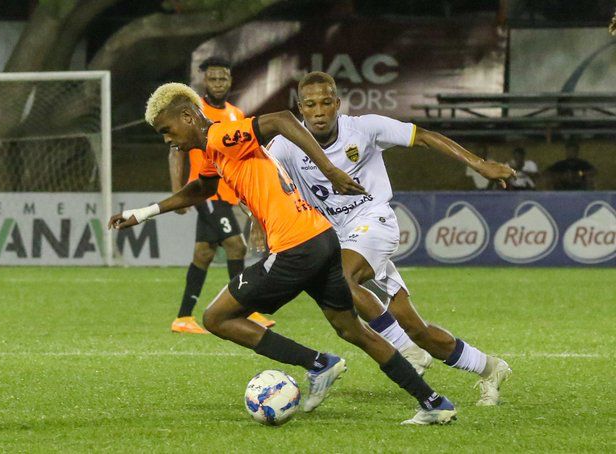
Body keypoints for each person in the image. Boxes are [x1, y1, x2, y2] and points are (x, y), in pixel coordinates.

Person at [109, 82, 458, 425]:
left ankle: (318, 363)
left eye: (166, 130)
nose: (167, 140)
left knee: (217, 318)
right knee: (353, 330)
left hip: (296, 247)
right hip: (321, 238)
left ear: (187, 116)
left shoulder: (221, 136)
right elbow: (201, 188)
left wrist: (329, 169)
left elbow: (279, 120)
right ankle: (434, 402)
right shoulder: (214, 152)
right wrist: (142, 214)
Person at [264, 71, 515, 406]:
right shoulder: (285, 144)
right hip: (336, 237)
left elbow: (423, 136)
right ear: (300, 109)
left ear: (337, 104)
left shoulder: (364, 128)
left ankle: (405, 352)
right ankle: (490, 368)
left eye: (326, 102)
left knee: (336, 277)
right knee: (417, 329)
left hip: (373, 221)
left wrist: (479, 164)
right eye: (310, 105)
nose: (319, 110)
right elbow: (263, 180)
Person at [168, 56, 274, 333]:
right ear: (205, 81)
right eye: (212, 78)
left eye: (222, 78)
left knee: (203, 254)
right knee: (237, 246)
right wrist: (178, 191)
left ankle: (183, 318)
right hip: (205, 192)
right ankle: (244, 310)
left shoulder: (235, 114)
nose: (217, 83)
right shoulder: (193, 110)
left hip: (228, 193)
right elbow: (175, 150)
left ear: (230, 80)